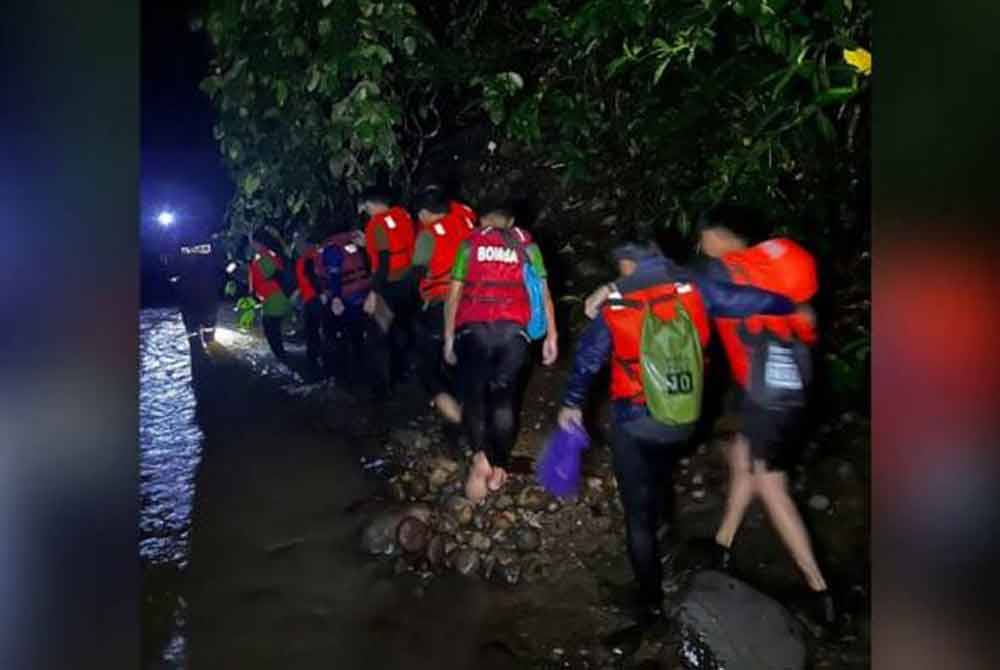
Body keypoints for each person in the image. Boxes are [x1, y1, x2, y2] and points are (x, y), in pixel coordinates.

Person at [563, 240, 805, 625]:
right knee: (658, 471)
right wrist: (788, 305)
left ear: (625, 266)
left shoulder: (616, 306)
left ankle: (650, 602)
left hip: (637, 422)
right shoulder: (694, 288)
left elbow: (587, 361)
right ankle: (667, 537)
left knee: (636, 516)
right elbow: (744, 301)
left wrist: (571, 403)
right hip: (686, 420)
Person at [694, 204, 835, 625]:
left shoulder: (726, 272)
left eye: (704, 238)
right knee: (743, 455)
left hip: (768, 394)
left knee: (771, 484)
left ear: (718, 238)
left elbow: (682, 286)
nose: (701, 246)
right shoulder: (777, 261)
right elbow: (807, 320)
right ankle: (723, 542)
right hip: (792, 383)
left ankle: (819, 590)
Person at [443, 201, 558, 502]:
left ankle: (481, 455)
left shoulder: (469, 243)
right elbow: (543, 291)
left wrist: (448, 338)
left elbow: (454, 293)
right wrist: (552, 335)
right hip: (513, 333)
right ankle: (501, 464)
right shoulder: (526, 244)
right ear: (512, 220)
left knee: (475, 395)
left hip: (474, 330)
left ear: (482, 220)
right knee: (504, 398)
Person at [406, 189, 470, 425]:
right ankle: (469, 412)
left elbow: (417, 273)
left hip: (441, 304)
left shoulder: (427, 236)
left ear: (424, 213)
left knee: (427, 367)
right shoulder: (465, 218)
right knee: (461, 362)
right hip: (472, 302)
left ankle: (457, 419)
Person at [358, 186, 418, 387]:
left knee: (378, 335)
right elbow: (396, 246)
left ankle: (383, 385)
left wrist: (374, 293)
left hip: (388, 284)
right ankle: (403, 374)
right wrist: (368, 244)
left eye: (366, 206)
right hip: (408, 282)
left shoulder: (376, 224)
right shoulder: (403, 216)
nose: (365, 210)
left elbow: (384, 261)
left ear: (371, 204)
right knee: (401, 329)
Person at [321, 226, 389, 396]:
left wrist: (335, 298)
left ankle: (351, 381)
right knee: (366, 338)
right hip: (366, 295)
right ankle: (376, 380)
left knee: (348, 340)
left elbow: (335, 274)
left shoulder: (332, 249)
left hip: (347, 300)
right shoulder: (354, 244)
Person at [164, 229, 228, 356]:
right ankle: (209, 346)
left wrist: (174, 279)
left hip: (190, 295)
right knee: (208, 332)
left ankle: (200, 348)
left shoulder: (179, 247)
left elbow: (172, 272)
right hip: (207, 293)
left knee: (194, 335)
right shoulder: (211, 246)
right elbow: (224, 264)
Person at [249, 229, 293, 360]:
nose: (251, 244)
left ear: (258, 242)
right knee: (274, 332)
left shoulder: (263, 257)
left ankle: (284, 362)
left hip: (273, 299)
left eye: (252, 241)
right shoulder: (270, 254)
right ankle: (285, 358)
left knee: (272, 334)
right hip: (276, 298)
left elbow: (272, 276)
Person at [294, 233, 330, 374]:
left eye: (299, 242)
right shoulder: (317, 255)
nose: (296, 246)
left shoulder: (309, 258)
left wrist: (320, 295)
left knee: (313, 332)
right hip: (316, 299)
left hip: (314, 300)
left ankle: (314, 363)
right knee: (320, 331)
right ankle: (321, 361)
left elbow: (313, 278)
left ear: (307, 243)